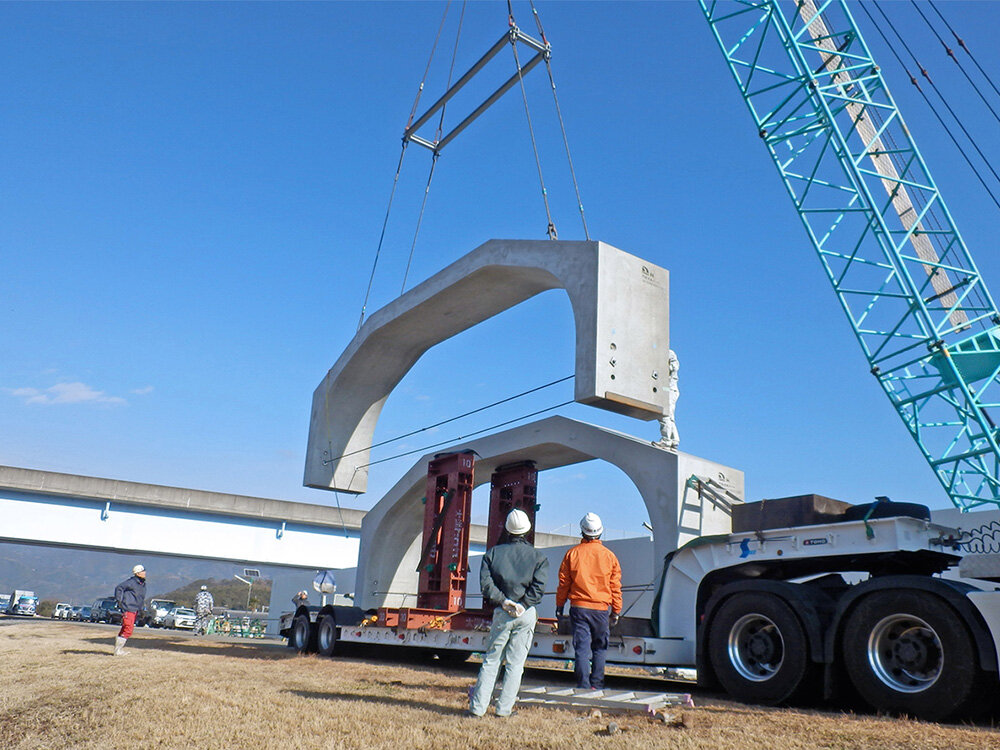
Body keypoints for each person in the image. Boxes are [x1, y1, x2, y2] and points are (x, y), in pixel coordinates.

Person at [468, 509, 549, 718]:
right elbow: (538, 589)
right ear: (528, 529)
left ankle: (477, 709)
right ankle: (503, 710)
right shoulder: (539, 558)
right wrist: (523, 604)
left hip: (502, 613)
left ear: (507, 529)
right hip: (526, 613)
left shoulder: (492, 554)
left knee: (492, 659)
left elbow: (486, 585)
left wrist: (504, 601)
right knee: (515, 664)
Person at [556, 513, 622, 690]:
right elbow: (615, 586)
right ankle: (597, 684)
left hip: (579, 609)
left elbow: (564, 583)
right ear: (600, 532)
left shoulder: (572, 554)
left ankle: (583, 685)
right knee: (600, 648)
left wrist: (560, 605)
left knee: (582, 649)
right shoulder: (609, 556)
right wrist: (616, 610)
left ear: (582, 531)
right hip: (601, 610)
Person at [113, 564, 147, 656]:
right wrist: (119, 600)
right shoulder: (131, 582)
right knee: (128, 629)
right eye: (143, 571)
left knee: (125, 628)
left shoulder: (142, 584)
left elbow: (140, 599)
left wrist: (141, 610)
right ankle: (118, 650)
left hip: (135, 610)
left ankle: (118, 650)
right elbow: (119, 588)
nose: (145, 572)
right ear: (138, 573)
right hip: (129, 608)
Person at [655, 349, 680, 450]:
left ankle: (666, 441)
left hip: (670, 389)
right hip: (669, 389)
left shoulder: (669, 353)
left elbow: (674, 367)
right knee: (669, 416)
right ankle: (674, 440)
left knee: (664, 414)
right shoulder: (662, 352)